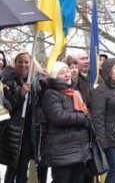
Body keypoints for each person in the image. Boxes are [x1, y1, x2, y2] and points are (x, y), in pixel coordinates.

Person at [42, 61, 91, 183]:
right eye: (61, 73)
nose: (67, 74)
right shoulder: (51, 94)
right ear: (54, 77)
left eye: (67, 71)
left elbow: (86, 113)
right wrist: (83, 118)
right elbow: (59, 116)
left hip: (79, 149)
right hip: (62, 150)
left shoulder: (75, 93)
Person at [0, 51, 43, 183]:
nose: (23, 65)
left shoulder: (36, 81)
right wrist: (21, 93)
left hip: (29, 131)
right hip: (14, 131)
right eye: (20, 62)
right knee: (13, 167)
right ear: (15, 63)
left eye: (26, 62)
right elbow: (8, 107)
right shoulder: (8, 81)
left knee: (23, 166)